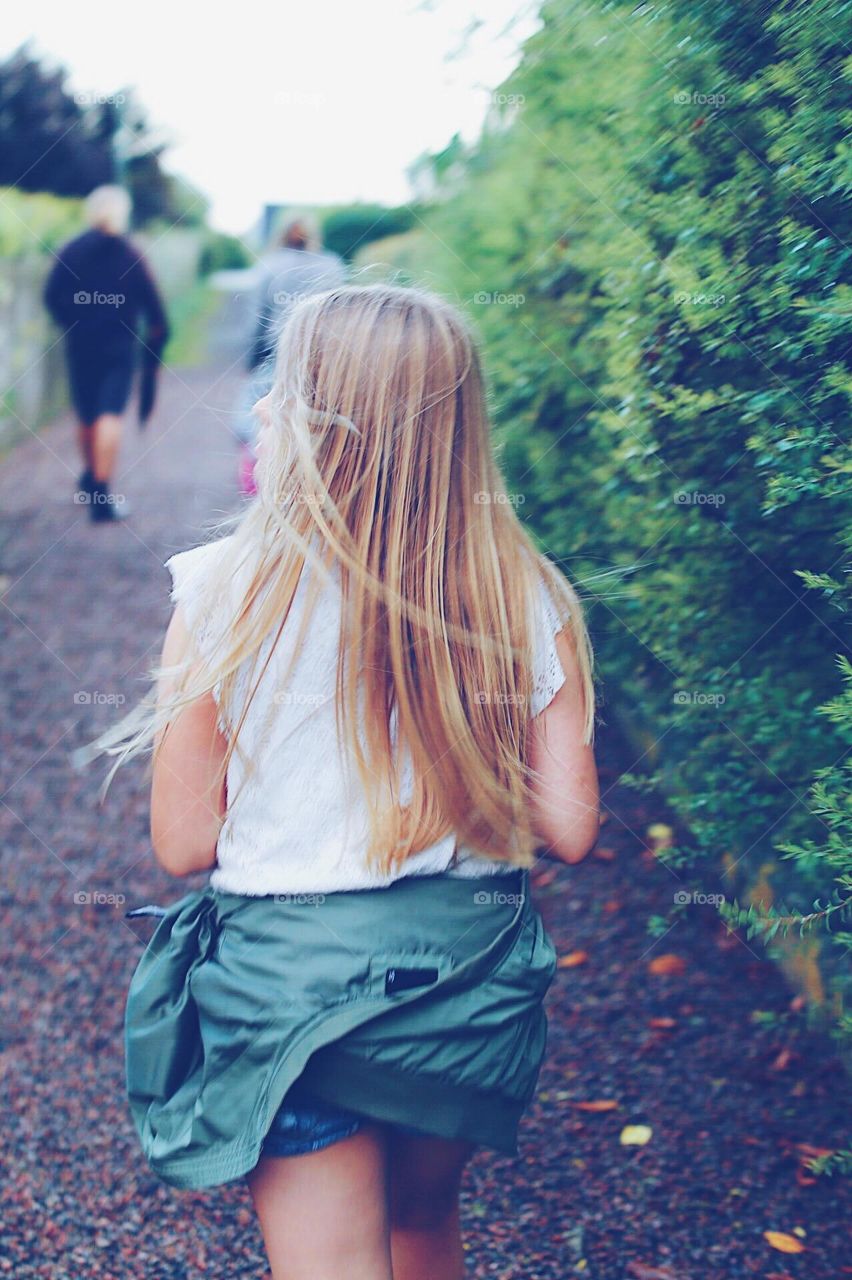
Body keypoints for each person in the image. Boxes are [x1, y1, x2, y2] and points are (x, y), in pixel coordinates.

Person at [89, 283, 599, 1280]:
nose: (267, 408)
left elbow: (184, 843)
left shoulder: (224, 589)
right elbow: (570, 825)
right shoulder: (526, 590)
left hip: (292, 994)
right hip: (467, 989)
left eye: (286, 389)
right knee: (421, 1226)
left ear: (327, 425)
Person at [43, 185, 170, 523]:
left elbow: (51, 295)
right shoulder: (131, 255)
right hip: (119, 346)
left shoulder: (71, 252)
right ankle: (100, 492)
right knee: (110, 413)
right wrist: (157, 341)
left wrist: (71, 321)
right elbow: (154, 308)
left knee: (86, 414)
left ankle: (90, 478)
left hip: (80, 345)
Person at [231, 212, 345, 497]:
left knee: (260, 418)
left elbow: (256, 317)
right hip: (323, 355)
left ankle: (259, 482)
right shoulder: (332, 266)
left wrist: (251, 359)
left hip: (277, 353)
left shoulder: (270, 266)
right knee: (313, 420)